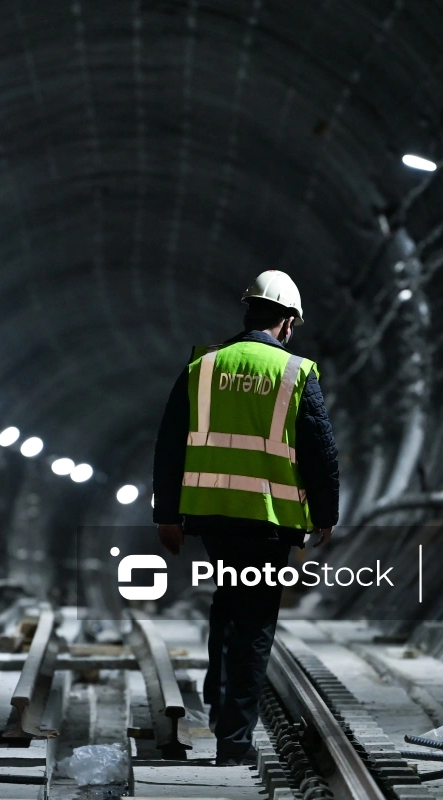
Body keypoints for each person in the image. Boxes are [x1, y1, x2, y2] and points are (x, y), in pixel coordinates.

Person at [151, 269, 340, 766]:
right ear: (287, 324)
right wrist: (326, 515)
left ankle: (217, 702)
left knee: (227, 603)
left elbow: (170, 443)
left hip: (212, 517)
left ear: (249, 312)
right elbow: (319, 451)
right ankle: (233, 742)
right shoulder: (297, 373)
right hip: (270, 521)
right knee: (254, 623)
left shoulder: (203, 367)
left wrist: (167, 514)